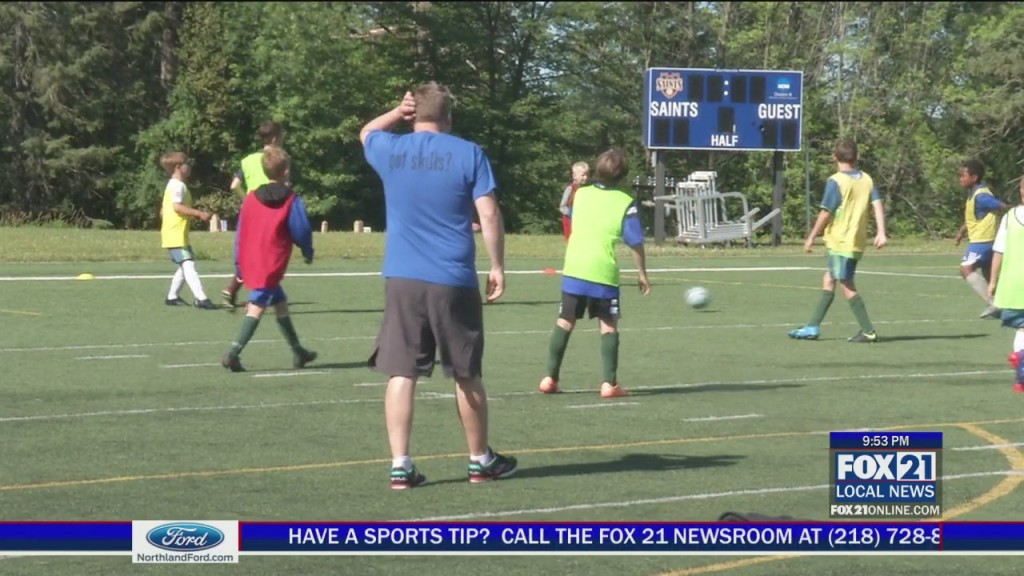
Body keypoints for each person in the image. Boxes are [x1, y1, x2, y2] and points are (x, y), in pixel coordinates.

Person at [360, 82, 518, 490]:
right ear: (449, 117)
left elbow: (365, 132)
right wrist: (497, 265)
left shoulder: (392, 150)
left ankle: (400, 464)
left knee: (401, 372)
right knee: (466, 372)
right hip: (452, 277)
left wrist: (397, 112)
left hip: (402, 277)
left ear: (415, 115)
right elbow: (490, 213)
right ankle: (480, 460)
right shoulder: (468, 153)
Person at [539, 149, 650, 398]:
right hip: (603, 272)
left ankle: (549, 377)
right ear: (622, 176)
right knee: (608, 326)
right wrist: (642, 273)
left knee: (564, 321)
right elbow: (635, 241)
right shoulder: (624, 202)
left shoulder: (581, 195)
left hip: (575, 268)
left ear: (596, 170)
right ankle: (608, 384)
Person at [221, 145, 317, 372]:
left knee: (280, 302)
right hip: (272, 260)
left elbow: (242, 230)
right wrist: (307, 251)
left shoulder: (252, 198)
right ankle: (233, 353)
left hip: (251, 257)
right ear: (286, 172)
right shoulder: (291, 200)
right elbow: (301, 229)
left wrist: (239, 262)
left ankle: (298, 351)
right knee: (257, 305)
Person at [788, 139, 887, 342]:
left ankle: (868, 331)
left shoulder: (836, 181)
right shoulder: (866, 179)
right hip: (855, 241)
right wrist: (881, 232)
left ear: (834, 157)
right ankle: (813, 326)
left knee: (846, 284)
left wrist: (811, 237)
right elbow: (877, 204)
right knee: (830, 278)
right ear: (856, 157)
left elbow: (825, 213)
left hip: (841, 242)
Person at [221, 120, 287, 308]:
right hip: (270, 211)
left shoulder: (248, 160)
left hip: (250, 211)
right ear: (275, 138)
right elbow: (285, 185)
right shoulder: (278, 160)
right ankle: (265, 293)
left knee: (246, 250)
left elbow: (234, 185)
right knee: (269, 252)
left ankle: (234, 288)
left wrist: (247, 200)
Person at [159, 151, 216, 310]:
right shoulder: (177, 186)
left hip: (177, 233)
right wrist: (199, 214)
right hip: (175, 234)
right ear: (178, 167)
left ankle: (172, 296)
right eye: (187, 164)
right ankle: (201, 298)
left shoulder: (173, 185)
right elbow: (177, 207)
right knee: (188, 264)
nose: (189, 167)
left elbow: (164, 211)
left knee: (184, 265)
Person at [954, 158, 1007, 319]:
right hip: (983, 240)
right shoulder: (974, 194)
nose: (961, 179)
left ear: (974, 177)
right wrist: (962, 231)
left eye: (963, 176)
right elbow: (974, 217)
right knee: (988, 273)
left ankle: (993, 303)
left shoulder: (981, 196)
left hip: (982, 241)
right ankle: (1004, 306)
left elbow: (1001, 206)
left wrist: (1017, 211)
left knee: (966, 269)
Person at [987, 176, 1024, 394]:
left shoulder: (1009, 217)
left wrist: (992, 281)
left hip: (1013, 286)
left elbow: (998, 251)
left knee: (1022, 328)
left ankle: (1020, 369)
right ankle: (1020, 363)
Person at [558, 161, 590, 241]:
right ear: (574, 176)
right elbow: (562, 206)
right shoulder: (570, 188)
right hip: (569, 220)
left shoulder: (586, 190)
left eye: (587, 175)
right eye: (583, 175)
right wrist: (570, 213)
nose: (585, 177)